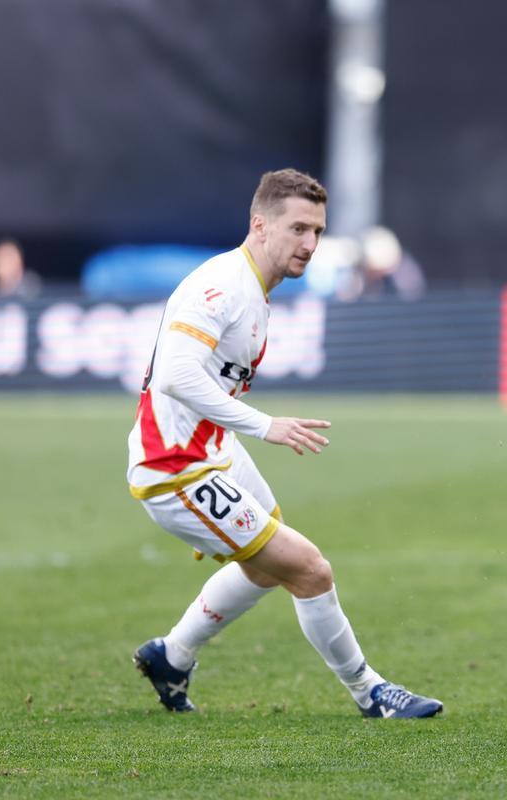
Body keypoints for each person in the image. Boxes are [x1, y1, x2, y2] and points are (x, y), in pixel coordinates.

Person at [126, 169, 441, 718]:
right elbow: (175, 375)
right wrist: (262, 424)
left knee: (268, 564)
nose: (310, 244)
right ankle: (371, 693)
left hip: (211, 450)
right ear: (260, 225)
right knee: (309, 569)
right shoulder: (222, 286)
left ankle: (171, 655)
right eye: (298, 229)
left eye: (317, 231)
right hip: (175, 466)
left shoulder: (253, 287)